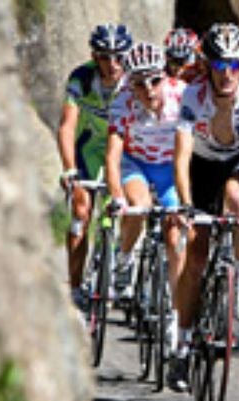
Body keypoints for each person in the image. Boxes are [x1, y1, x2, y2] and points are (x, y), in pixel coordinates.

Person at [169, 23, 239, 391]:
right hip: (202, 163)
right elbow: (180, 158)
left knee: (238, 199)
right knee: (195, 260)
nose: (226, 74)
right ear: (207, 67)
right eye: (218, 67)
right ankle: (181, 344)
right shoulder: (193, 96)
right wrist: (185, 203)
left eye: (234, 66)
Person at [105, 42, 185, 316]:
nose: (148, 89)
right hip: (135, 162)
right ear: (130, 83)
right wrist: (117, 198)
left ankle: (177, 313)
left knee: (176, 236)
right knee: (138, 205)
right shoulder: (122, 101)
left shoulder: (182, 96)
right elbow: (113, 156)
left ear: (165, 75)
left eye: (155, 80)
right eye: (139, 84)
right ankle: (125, 259)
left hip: (171, 168)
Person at [57, 23, 132, 310]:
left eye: (118, 56)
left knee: (126, 205)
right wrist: (69, 171)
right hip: (87, 149)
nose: (112, 64)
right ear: (94, 55)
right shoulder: (82, 77)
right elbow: (66, 127)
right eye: (104, 56)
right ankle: (75, 287)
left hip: (123, 150)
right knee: (80, 213)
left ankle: (117, 262)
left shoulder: (134, 78)